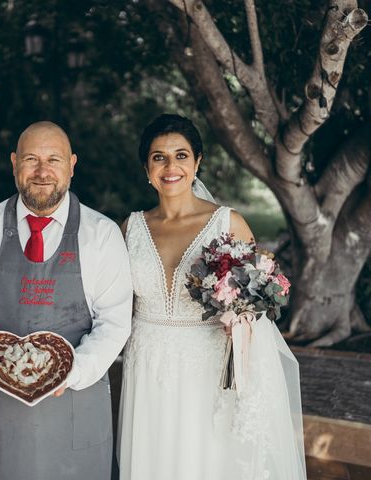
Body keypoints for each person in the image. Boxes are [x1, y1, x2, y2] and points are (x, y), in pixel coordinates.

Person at [0, 121, 133, 480]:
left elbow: (116, 321)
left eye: (54, 160)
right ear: (14, 163)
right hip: (1, 409)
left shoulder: (102, 234)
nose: (43, 171)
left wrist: (70, 371)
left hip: (77, 404)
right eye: (31, 159)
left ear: (72, 165)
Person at [116, 114, 306, 479]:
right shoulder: (130, 228)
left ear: (197, 161)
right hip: (147, 366)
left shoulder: (227, 224)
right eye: (159, 157)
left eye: (181, 155)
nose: (171, 166)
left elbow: (254, 309)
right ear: (146, 168)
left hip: (206, 370)